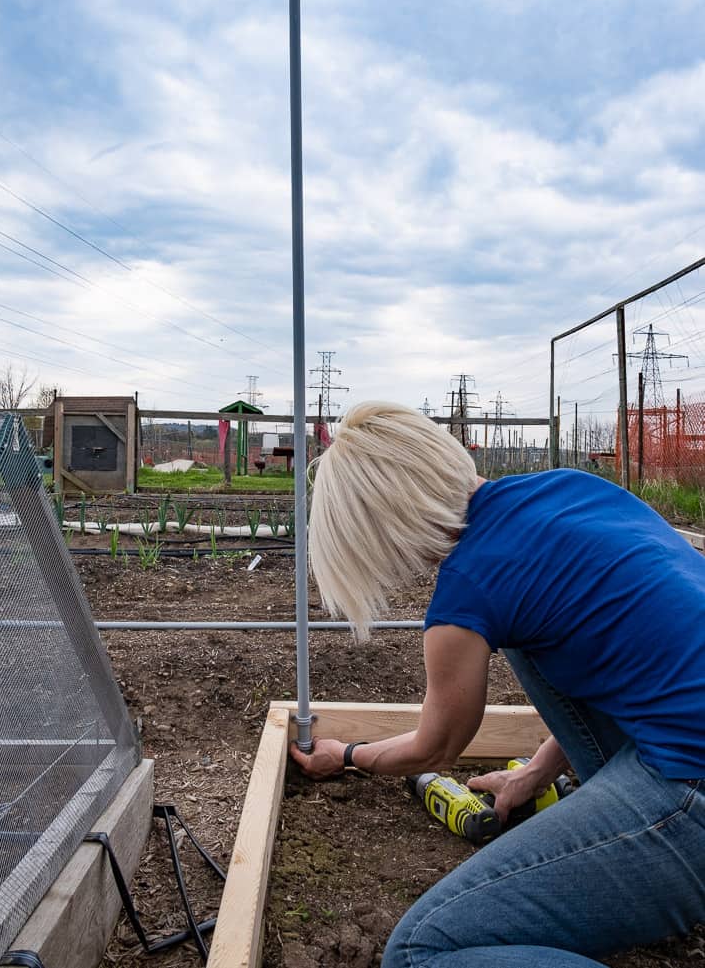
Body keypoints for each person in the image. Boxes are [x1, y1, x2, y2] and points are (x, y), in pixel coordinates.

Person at [290, 401, 705, 968]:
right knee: (531, 638)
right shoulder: (571, 489)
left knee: (420, 952)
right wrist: (536, 772)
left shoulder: (466, 593)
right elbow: (622, 665)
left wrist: (351, 753)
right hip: (687, 737)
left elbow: (434, 749)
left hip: (689, 787)